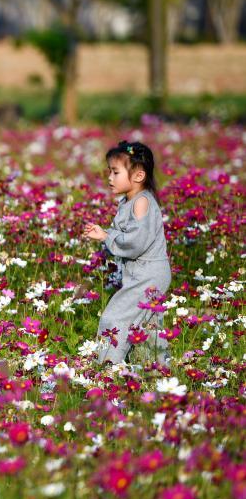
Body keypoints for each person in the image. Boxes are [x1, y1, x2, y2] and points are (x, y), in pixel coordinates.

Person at [83, 140, 172, 365]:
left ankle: (106, 369)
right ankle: (155, 371)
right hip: (146, 272)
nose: (109, 178)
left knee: (115, 318)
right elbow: (126, 233)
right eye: (109, 172)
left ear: (139, 176)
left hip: (148, 273)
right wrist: (105, 232)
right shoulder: (129, 201)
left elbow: (135, 243)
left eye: (115, 172)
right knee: (147, 327)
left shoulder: (141, 203)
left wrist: (106, 237)